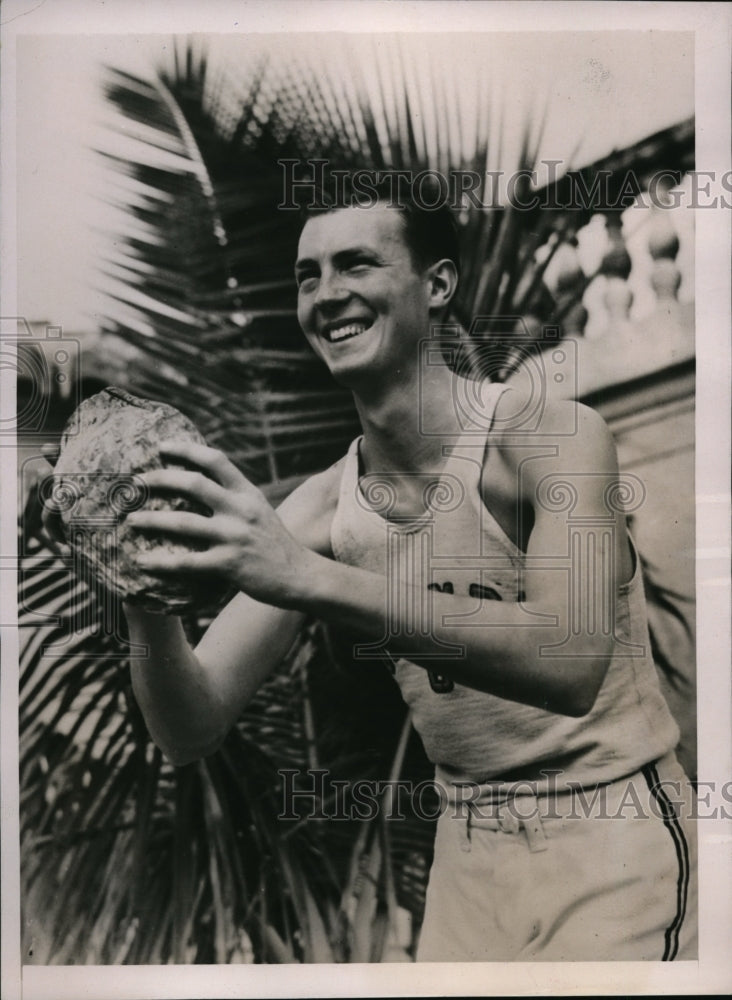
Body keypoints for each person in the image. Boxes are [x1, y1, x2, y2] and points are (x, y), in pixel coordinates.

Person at [48, 190, 697, 961]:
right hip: (470, 856)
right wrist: (139, 583)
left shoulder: (551, 437)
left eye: (357, 263)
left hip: (612, 834)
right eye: (307, 275)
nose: (327, 295)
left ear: (440, 285)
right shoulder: (326, 506)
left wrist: (306, 578)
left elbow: (571, 660)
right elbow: (189, 725)